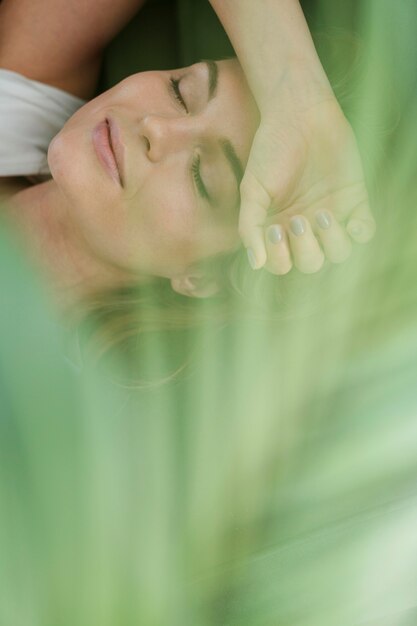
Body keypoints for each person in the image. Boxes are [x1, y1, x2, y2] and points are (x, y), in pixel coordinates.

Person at [0, 0, 375, 286]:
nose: (157, 129)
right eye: (181, 91)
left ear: (201, 278)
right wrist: (297, 97)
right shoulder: (22, 84)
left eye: (202, 177)